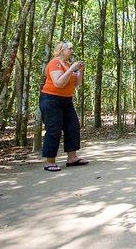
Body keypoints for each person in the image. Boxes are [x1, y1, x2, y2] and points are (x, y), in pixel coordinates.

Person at [39, 40, 88, 172]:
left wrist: (80, 71)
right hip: (51, 100)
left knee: (73, 126)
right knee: (54, 129)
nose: (72, 51)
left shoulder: (67, 64)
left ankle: (72, 158)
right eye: (70, 49)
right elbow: (58, 83)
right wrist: (72, 69)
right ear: (62, 50)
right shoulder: (55, 63)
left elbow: (76, 83)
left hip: (67, 100)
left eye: (72, 49)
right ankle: (50, 161)